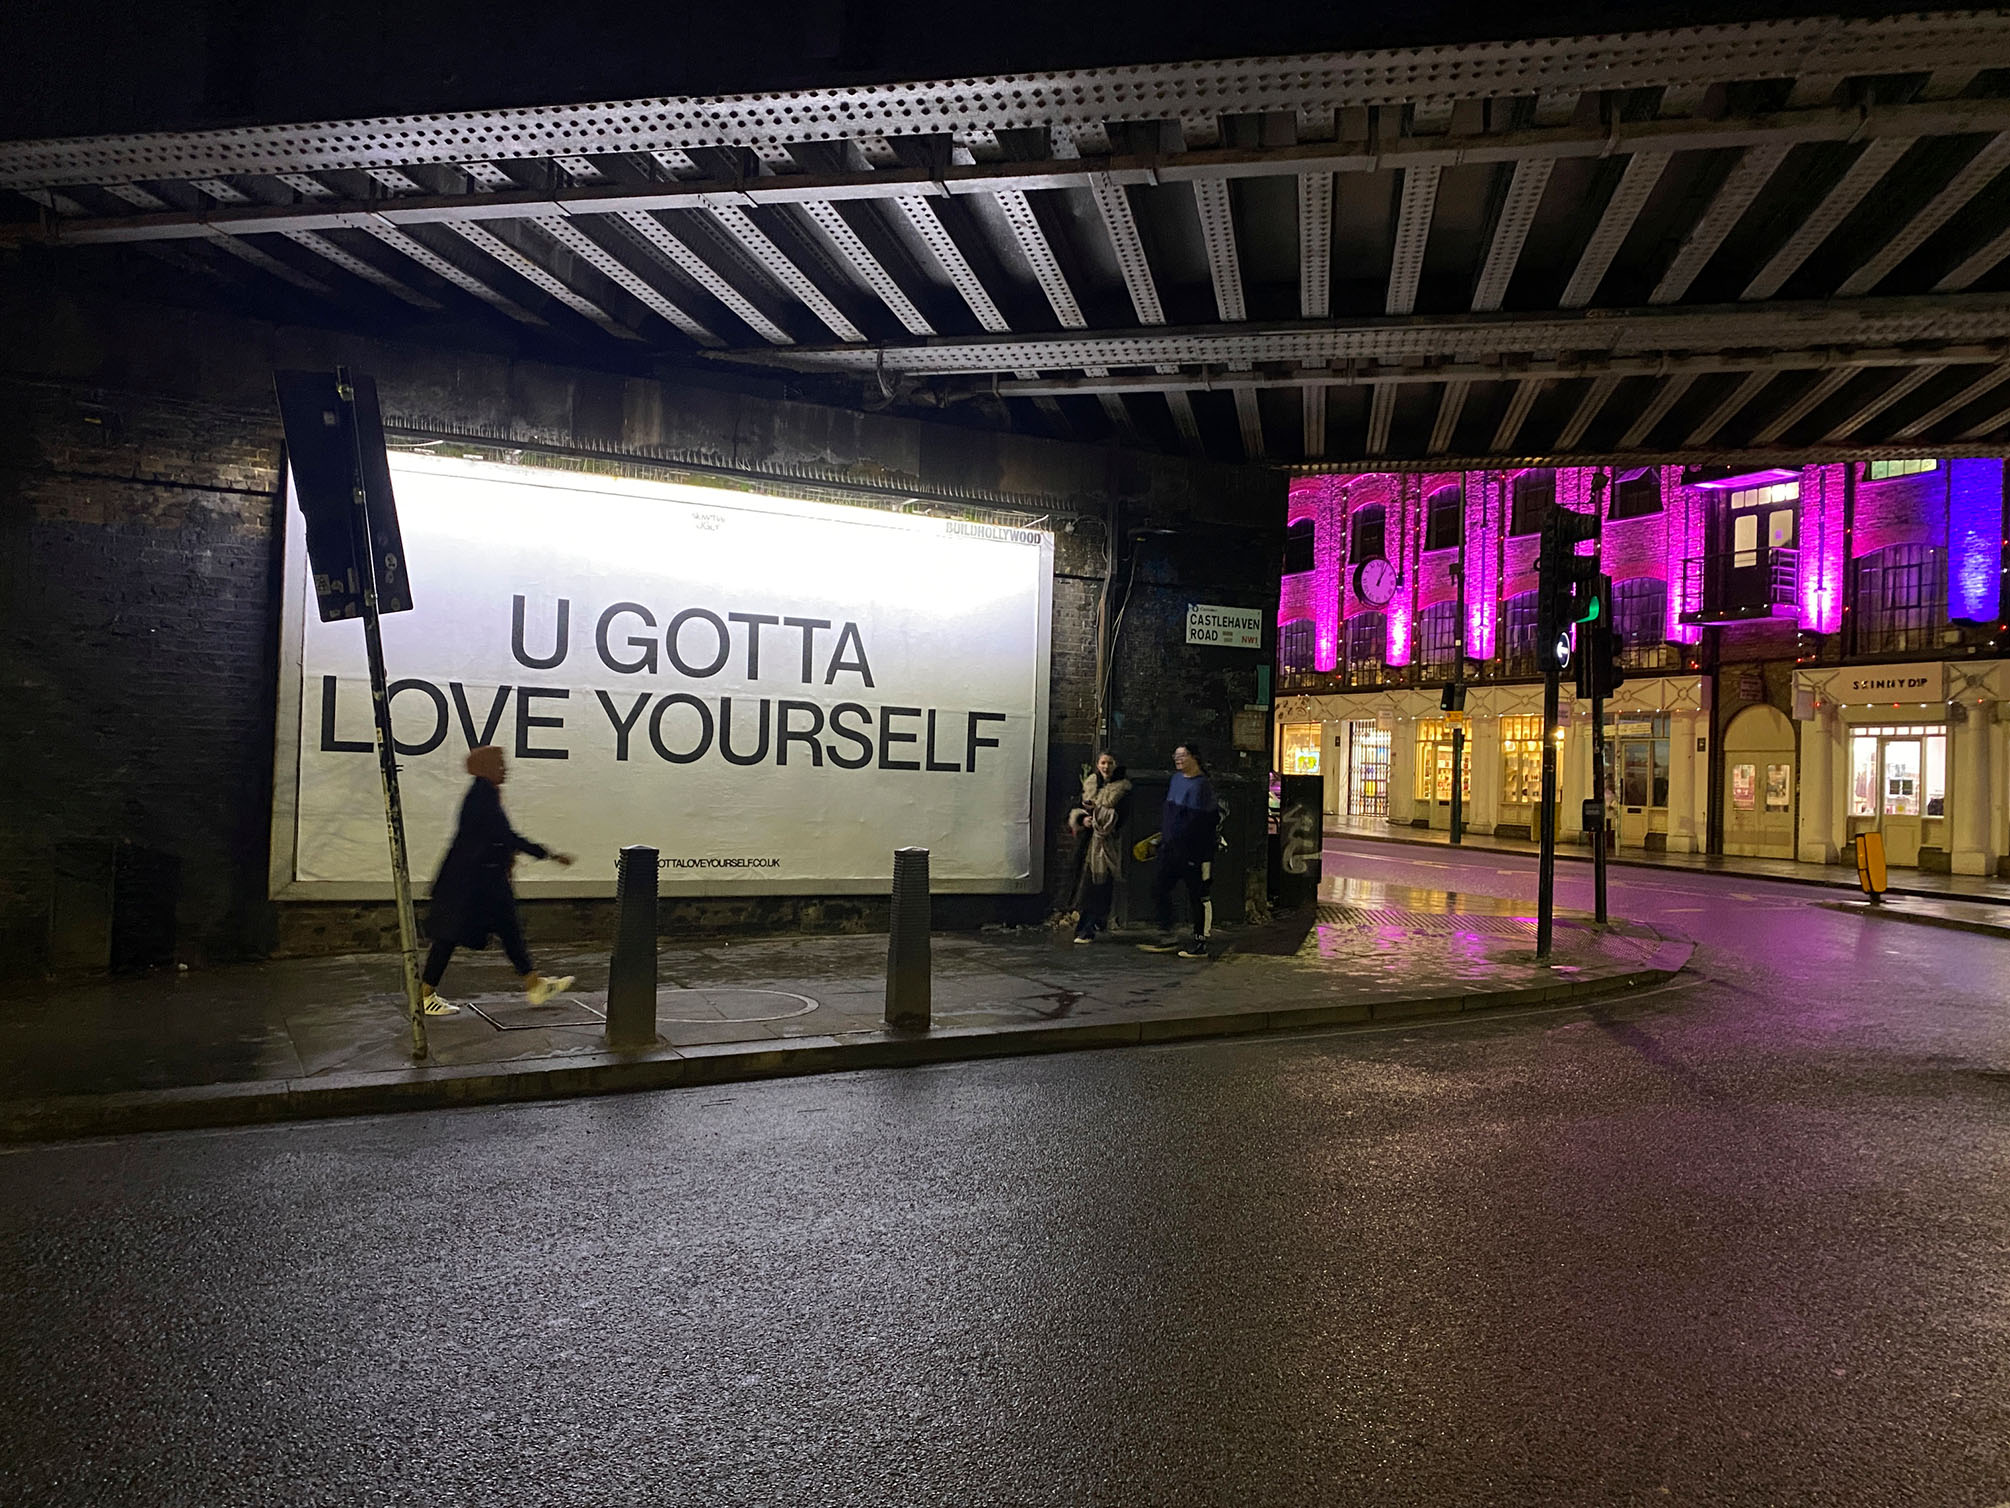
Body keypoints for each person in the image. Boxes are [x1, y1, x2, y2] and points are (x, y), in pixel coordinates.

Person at [419, 745, 577, 1016]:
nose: (506, 769)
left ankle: (534, 983)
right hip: (473, 882)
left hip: (481, 879)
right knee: (449, 936)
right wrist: (548, 854)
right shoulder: (481, 796)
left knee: (507, 928)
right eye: (500, 764)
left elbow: (497, 838)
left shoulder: (484, 793)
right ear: (485, 767)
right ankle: (424, 996)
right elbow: (505, 836)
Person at [1140, 743, 1219, 959]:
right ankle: (1168, 934)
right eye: (1175, 755)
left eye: (1182, 755)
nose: (1178, 759)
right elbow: (1170, 816)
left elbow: (1205, 822)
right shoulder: (1176, 780)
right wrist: (1162, 839)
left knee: (1198, 897)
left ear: (1194, 757)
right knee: (1158, 888)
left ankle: (1200, 943)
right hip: (1171, 850)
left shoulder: (1202, 786)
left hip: (1194, 852)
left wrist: (1200, 851)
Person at [1068, 753, 1132, 943]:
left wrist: (1096, 818)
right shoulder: (1090, 784)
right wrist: (1082, 819)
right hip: (1088, 844)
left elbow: (1117, 818)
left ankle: (1088, 926)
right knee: (1089, 886)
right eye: (1103, 763)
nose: (1106, 767)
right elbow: (1077, 809)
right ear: (1098, 764)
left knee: (1099, 886)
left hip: (1107, 845)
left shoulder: (1122, 790)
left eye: (1110, 763)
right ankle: (1090, 924)